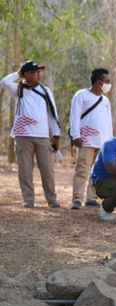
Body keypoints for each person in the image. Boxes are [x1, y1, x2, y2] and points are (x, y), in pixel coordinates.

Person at [0, 60, 61, 208]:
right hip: (23, 136)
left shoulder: (46, 91)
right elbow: (4, 81)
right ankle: (28, 199)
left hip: (42, 136)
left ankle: (52, 199)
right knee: (25, 169)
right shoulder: (19, 89)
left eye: (38, 72)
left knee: (47, 169)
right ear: (25, 74)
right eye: (33, 72)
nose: (37, 74)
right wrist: (18, 74)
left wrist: (56, 136)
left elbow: (52, 114)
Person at [69, 68, 113, 209]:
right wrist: (75, 135)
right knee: (82, 170)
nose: (109, 84)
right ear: (99, 82)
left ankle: (91, 198)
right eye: (107, 81)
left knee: (97, 172)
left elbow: (108, 122)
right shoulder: (81, 95)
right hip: (86, 140)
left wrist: (110, 142)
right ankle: (77, 199)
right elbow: (74, 116)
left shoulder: (105, 100)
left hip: (102, 142)